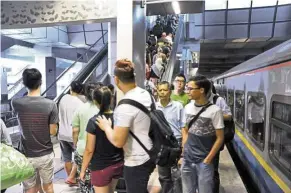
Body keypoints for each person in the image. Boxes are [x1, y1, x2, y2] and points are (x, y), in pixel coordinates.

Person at [96, 59, 155, 193]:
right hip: (150, 151)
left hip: (136, 160)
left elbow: (118, 141)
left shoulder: (125, 106)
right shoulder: (144, 94)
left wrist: (106, 127)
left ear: (116, 80)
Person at [11, 68, 58, 193]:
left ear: (24, 83)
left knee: (30, 188)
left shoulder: (16, 103)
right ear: (41, 82)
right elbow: (53, 131)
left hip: (26, 155)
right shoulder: (51, 104)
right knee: (48, 186)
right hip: (45, 154)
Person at [182, 75, 224, 193]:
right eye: (187, 88)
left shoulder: (215, 111)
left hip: (204, 161)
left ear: (201, 90)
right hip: (187, 159)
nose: (187, 91)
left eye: (190, 89)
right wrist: (183, 151)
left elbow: (220, 138)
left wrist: (208, 159)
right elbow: (185, 130)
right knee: (187, 191)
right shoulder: (188, 108)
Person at [80, 86, 124, 193]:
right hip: (118, 164)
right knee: (111, 191)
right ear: (111, 99)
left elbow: (89, 150)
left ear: (95, 101)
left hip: (101, 167)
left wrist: (82, 170)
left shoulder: (94, 121)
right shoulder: (119, 118)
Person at [66, 83, 101, 192]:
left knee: (85, 180)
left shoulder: (80, 109)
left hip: (82, 150)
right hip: (100, 152)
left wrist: (75, 143)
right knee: (100, 182)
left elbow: (75, 130)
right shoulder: (103, 109)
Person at [156, 81, 185, 193]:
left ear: (170, 91)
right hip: (161, 143)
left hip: (175, 143)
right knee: (163, 175)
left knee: (176, 175)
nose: (162, 92)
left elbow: (183, 128)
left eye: (165, 90)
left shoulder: (178, 106)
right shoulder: (154, 107)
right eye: (160, 90)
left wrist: (183, 150)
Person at [58, 81, 84, 179]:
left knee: (66, 159)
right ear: (81, 91)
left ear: (70, 88)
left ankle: (70, 178)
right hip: (73, 135)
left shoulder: (63, 98)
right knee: (78, 158)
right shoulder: (80, 103)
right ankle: (73, 178)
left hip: (62, 134)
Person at [209, 83, 232, 193]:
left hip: (214, 140)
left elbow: (229, 116)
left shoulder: (218, 100)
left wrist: (214, 115)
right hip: (199, 142)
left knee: (213, 170)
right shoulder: (195, 101)